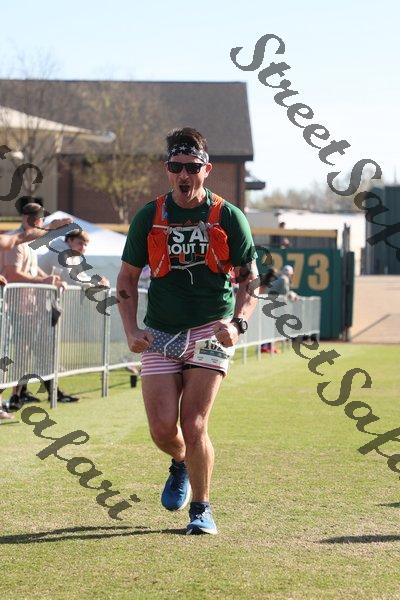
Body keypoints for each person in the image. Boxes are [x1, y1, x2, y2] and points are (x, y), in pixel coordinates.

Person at [117, 127, 258, 535]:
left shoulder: (228, 216)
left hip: (210, 331)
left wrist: (238, 323)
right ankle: (179, 461)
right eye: (176, 166)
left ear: (206, 170)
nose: (184, 174)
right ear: (167, 169)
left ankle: (201, 508)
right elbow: (126, 279)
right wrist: (131, 329)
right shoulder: (150, 216)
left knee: (194, 424)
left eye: (192, 167)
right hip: (160, 332)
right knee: (163, 429)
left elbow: (251, 278)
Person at [0, 203, 73, 408]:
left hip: (27, 307)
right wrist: (43, 281)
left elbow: (31, 270)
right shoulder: (16, 241)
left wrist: (51, 280)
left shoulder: (28, 243)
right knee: (13, 354)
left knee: (23, 353)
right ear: (29, 218)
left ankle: (18, 394)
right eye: (38, 219)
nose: (40, 222)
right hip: (13, 307)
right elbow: (12, 274)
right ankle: (13, 395)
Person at [38, 229, 109, 288]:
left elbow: (81, 276)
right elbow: (70, 281)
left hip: (43, 294)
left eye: (85, 245)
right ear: (69, 240)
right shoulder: (59, 254)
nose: (83, 248)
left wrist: (97, 281)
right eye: (80, 243)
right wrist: (97, 284)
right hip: (36, 294)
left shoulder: (74, 256)